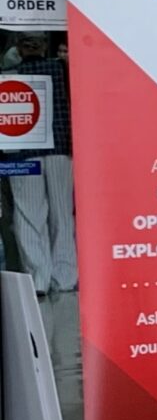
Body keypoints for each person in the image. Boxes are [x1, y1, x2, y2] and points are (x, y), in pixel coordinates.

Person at [3, 32, 76, 295]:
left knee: (29, 216)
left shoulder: (8, 75)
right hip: (60, 150)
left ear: (19, 49)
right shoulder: (61, 69)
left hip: (21, 154)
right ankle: (65, 279)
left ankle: (39, 280)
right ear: (45, 46)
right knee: (63, 216)